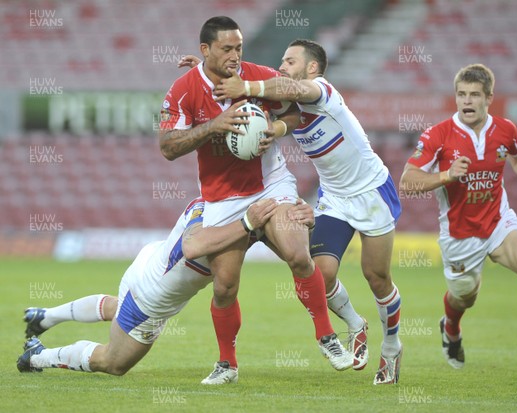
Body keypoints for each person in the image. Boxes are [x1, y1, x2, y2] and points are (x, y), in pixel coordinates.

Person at [185, 38, 404, 385]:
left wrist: (249, 83)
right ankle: (355, 324)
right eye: (282, 61)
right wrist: (209, 67)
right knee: (323, 271)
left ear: (311, 68)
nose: (282, 66)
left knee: (376, 277)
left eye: (290, 61)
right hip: (333, 196)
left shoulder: (322, 91)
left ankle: (391, 347)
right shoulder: (281, 100)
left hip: (370, 191)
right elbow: (263, 86)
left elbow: (279, 84)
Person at [158, 17, 352, 384]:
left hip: (271, 184)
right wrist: (214, 127)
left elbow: (294, 111)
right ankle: (227, 364)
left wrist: (275, 128)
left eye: (239, 48)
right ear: (206, 50)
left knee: (298, 254)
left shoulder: (256, 77)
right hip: (223, 199)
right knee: (224, 286)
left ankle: (327, 336)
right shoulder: (184, 90)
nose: (235, 56)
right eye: (226, 49)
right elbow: (168, 147)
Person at [400, 63, 517, 372]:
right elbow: (407, 181)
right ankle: (450, 326)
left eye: (474, 95)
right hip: (460, 235)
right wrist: (447, 175)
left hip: (498, 221)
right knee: (465, 298)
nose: (466, 101)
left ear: (489, 98)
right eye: (461, 94)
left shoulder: (505, 129)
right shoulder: (438, 135)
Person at [17, 197, 314, 379]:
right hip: (150, 300)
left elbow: (289, 251)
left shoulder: (208, 201)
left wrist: (304, 222)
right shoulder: (235, 221)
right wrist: (249, 223)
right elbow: (195, 246)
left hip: (148, 261)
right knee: (114, 362)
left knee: (119, 307)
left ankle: (46, 316)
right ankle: (39, 355)